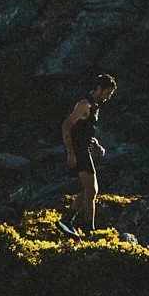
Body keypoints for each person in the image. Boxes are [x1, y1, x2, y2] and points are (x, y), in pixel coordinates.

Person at [58, 74, 116, 237]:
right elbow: (66, 127)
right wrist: (70, 153)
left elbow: (84, 129)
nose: (108, 97)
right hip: (78, 151)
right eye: (107, 93)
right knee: (92, 190)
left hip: (85, 149)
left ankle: (68, 220)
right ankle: (88, 230)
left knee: (89, 189)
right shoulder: (84, 104)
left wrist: (96, 144)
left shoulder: (95, 105)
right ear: (98, 89)